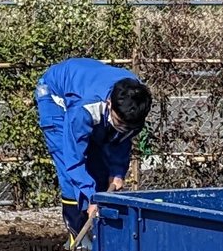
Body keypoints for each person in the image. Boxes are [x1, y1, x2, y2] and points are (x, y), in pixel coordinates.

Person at [35, 60, 153, 235]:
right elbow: (74, 158)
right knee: (69, 171)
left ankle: (100, 231)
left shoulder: (137, 100)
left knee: (100, 168)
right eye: (119, 122)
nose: (123, 128)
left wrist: (117, 172)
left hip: (89, 87)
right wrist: (91, 197)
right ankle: (77, 232)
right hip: (55, 96)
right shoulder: (85, 108)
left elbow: (121, 140)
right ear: (109, 103)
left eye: (128, 126)